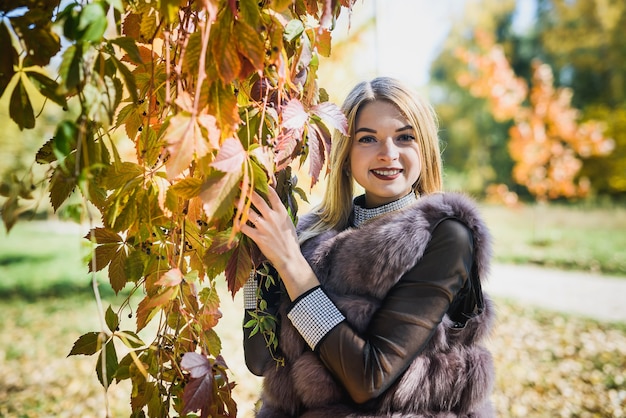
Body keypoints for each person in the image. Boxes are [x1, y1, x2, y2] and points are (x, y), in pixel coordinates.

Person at [240, 77, 495, 417]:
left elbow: (368, 379)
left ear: (426, 148)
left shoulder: (444, 236)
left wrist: (290, 265)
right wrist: (258, 257)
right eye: (367, 139)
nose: (388, 153)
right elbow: (260, 361)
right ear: (346, 155)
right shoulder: (308, 237)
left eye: (405, 137)